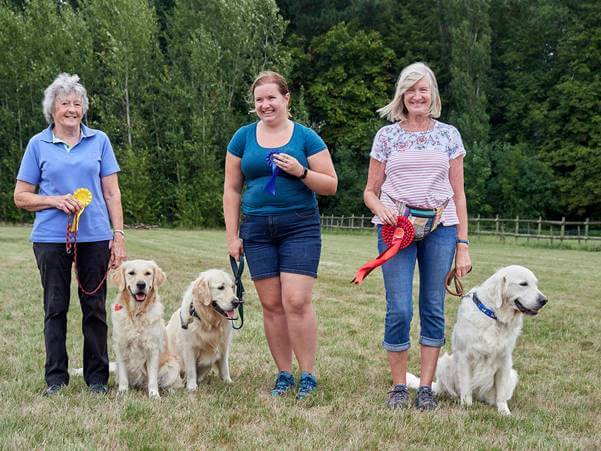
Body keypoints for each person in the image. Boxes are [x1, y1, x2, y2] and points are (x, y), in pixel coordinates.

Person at [362, 62, 471, 410]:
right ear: (402, 95)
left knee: (433, 306)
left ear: (432, 94)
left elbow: (459, 194)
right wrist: (380, 210)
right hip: (396, 229)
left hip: (442, 228)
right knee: (398, 308)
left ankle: (425, 388)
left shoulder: (449, 135)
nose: (417, 95)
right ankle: (398, 387)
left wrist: (463, 245)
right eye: (411, 89)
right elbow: (370, 191)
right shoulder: (387, 137)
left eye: (423, 89)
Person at [223, 71, 337, 400]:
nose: (265, 104)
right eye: (259, 99)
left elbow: (331, 185)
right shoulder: (242, 138)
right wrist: (233, 235)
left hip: (299, 227)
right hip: (256, 229)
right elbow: (231, 189)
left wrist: (300, 172)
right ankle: (284, 374)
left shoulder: (305, 138)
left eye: (272, 97)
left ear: (286, 99)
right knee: (272, 305)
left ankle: (308, 375)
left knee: (296, 302)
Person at [14, 73, 127, 396]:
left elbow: (112, 194)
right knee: (55, 307)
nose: (72, 109)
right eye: (65, 103)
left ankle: (96, 379)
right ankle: (56, 378)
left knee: (95, 307)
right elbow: (20, 196)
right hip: (50, 239)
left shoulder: (100, 140)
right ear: (52, 110)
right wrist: (52, 201)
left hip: (94, 237)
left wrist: (117, 236)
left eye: (77, 104)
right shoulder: (38, 144)